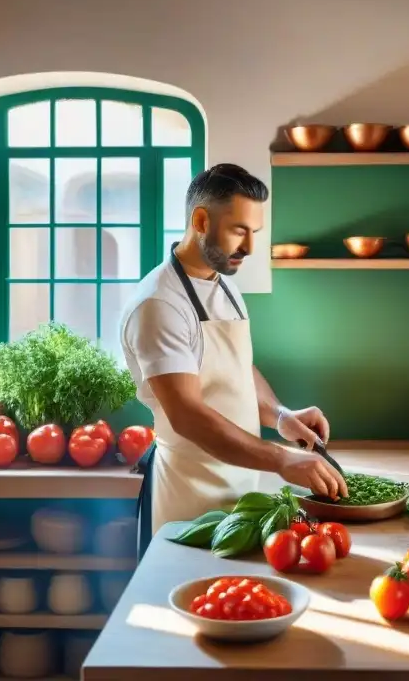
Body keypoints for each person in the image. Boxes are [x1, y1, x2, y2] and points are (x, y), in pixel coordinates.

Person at [120, 162, 348, 558]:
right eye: (239, 230)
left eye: (254, 232)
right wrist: (281, 458)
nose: (250, 247)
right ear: (202, 220)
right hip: (190, 501)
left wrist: (279, 415)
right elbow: (188, 415)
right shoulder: (160, 304)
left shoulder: (222, 283)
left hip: (244, 489)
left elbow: (236, 368)